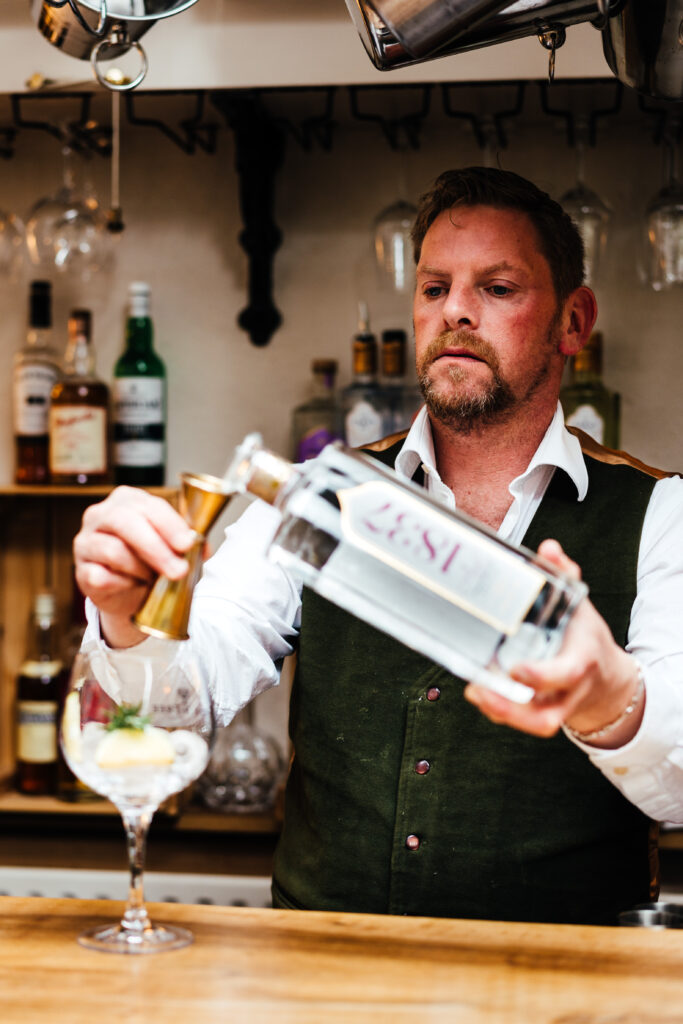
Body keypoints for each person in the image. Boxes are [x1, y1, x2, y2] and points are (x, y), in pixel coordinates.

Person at [74, 167, 683, 926]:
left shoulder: (661, 514)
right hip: (324, 969)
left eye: (497, 288)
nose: (455, 310)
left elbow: (678, 787)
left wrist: (609, 696)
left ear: (572, 321)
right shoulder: (313, 496)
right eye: (434, 288)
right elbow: (176, 708)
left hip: (560, 976)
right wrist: (129, 622)